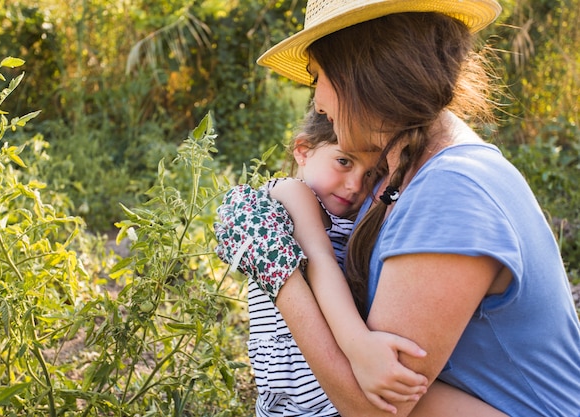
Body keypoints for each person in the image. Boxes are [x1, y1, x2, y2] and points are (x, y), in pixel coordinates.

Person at [216, 0, 580, 416]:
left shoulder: (449, 190)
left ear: (360, 72)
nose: (317, 103)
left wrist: (277, 270)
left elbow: (373, 409)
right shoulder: (405, 176)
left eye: (318, 77)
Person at [246, 108, 428, 416]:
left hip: (335, 393)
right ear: (303, 151)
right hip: (295, 394)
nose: (355, 185)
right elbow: (320, 259)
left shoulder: (356, 218)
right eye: (344, 161)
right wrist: (360, 346)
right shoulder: (290, 192)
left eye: (371, 174)